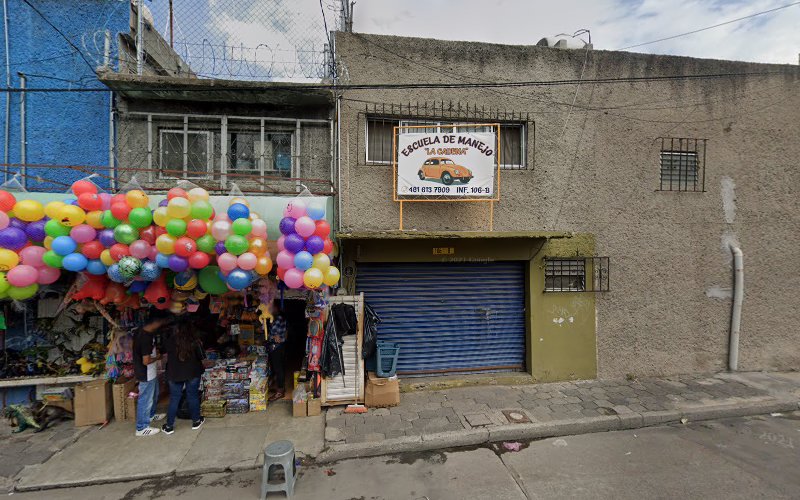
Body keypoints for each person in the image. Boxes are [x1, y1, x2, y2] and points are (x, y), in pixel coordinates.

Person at [161, 321, 205, 434]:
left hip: (175, 373)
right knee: (192, 396)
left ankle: (169, 426)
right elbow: (202, 356)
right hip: (192, 372)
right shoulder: (194, 341)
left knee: (174, 399)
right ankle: (196, 421)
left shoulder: (169, 341)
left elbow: (164, 354)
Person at [133, 317, 168, 436]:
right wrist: (158, 358)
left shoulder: (142, 332)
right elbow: (146, 361)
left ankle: (151, 415)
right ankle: (141, 427)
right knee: (145, 399)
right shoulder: (145, 337)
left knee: (154, 394)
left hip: (151, 372)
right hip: (145, 372)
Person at [268, 300, 287, 401]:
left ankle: (280, 391)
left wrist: (270, 335)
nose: (270, 309)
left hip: (277, 346)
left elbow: (273, 332)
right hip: (277, 345)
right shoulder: (277, 317)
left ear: (277, 308)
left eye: (271, 307)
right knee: (278, 367)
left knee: (278, 368)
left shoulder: (278, 317)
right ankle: (279, 388)